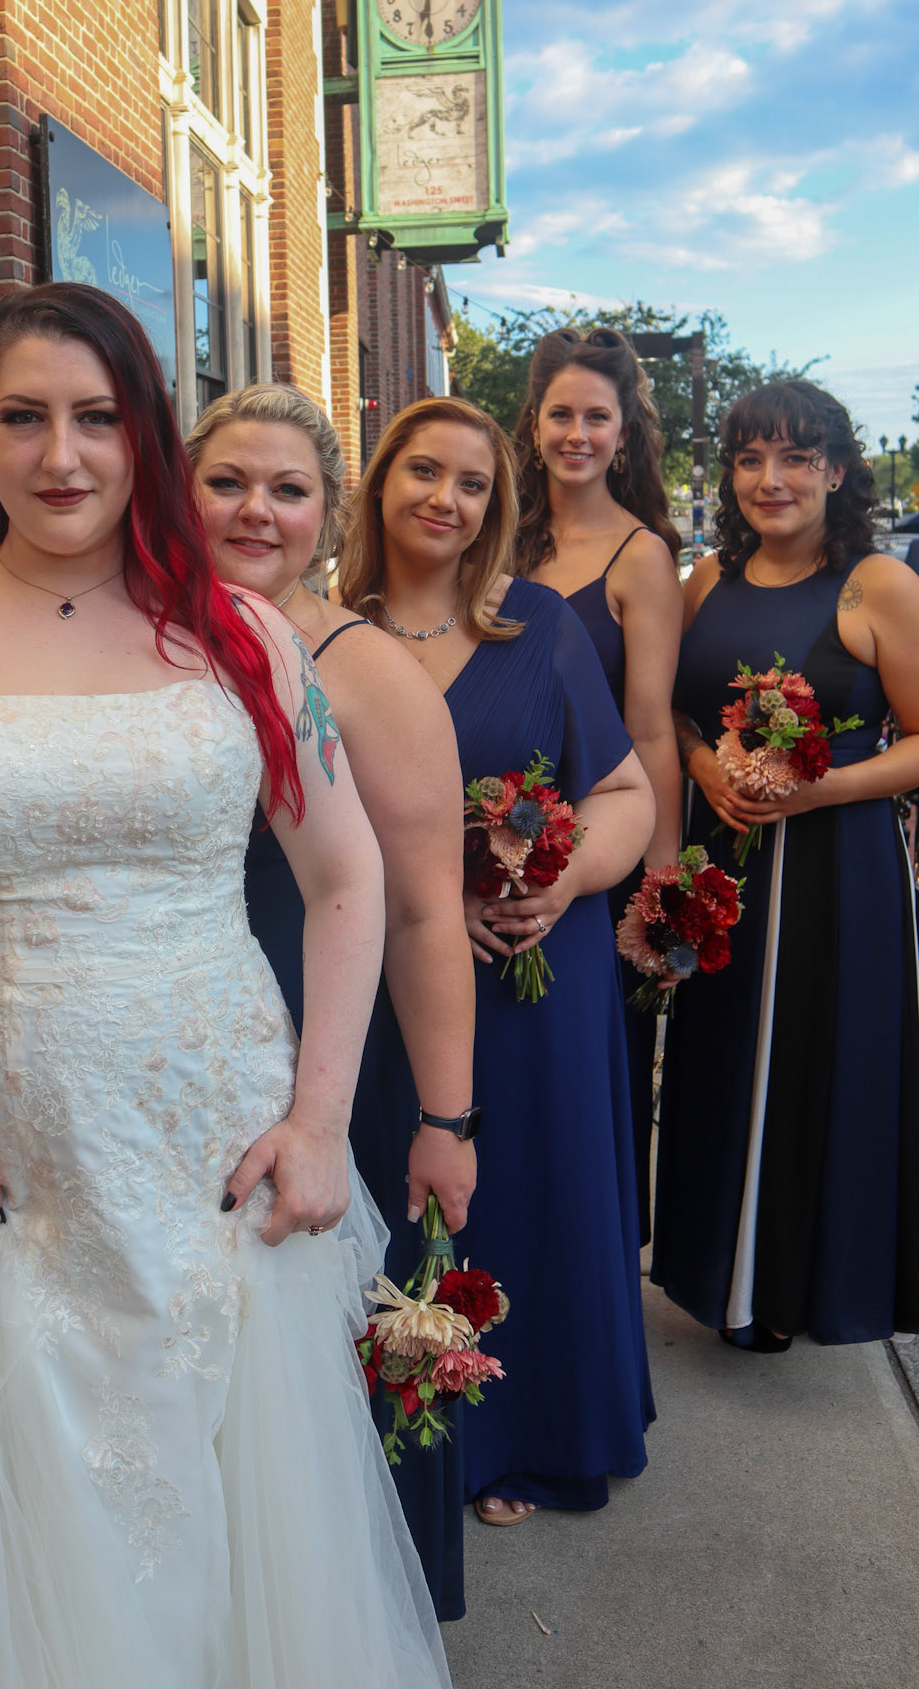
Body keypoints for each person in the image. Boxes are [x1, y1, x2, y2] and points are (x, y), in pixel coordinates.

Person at [0, 286, 451, 1688]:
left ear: (145, 433)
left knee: (220, 1534)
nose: (61, 456)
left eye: (97, 418)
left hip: (209, 1169)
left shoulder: (242, 632)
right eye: (23, 417)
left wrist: (319, 1119)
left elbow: (350, 878)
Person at [338, 397, 656, 1526]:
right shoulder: (325, 629)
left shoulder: (540, 623)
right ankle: (413, 1438)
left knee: (532, 1193)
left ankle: (527, 1436)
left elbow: (623, 790)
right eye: (424, 471)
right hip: (387, 978)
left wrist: (557, 883)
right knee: (407, 1193)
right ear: (380, 482)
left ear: (495, 506)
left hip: (533, 972)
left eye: (472, 483)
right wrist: (421, 896)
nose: (446, 498)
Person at [188, 381, 477, 1619]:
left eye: (288, 489)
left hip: (336, 1062)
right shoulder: (137, 631)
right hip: (176, 1057)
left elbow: (421, 916)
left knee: (324, 1365)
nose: (256, 509)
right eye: (226, 481)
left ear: (328, 515)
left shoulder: (369, 673)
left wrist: (446, 1120)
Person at [655, 379, 919, 1348]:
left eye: (796, 458)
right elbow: (668, 709)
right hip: (722, 856)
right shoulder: (705, 580)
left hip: (838, 869)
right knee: (718, 1056)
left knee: (820, 1064)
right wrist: (700, 767)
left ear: (836, 471)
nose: (770, 479)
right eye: (750, 459)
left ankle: (800, 1292)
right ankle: (718, 1277)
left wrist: (818, 790)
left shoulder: (875, 585)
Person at [513, 326, 684, 1244]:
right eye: (560, 414)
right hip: (489, 838)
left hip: (597, 850)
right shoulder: (498, 533)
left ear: (623, 433)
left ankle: (595, 1256)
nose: (576, 434)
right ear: (533, 422)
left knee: (595, 1068)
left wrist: (658, 881)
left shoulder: (640, 556)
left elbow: (650, 727)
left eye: (596, 417)